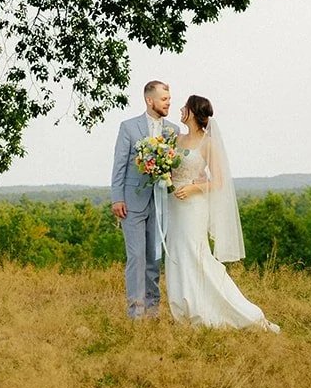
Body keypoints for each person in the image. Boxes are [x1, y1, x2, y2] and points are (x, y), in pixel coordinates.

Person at [164, 93, 279, 332]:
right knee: (177, 253)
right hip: (173, 204)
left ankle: (233, 311)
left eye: (184, 107)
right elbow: (170, 169)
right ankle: (183, 309)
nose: (180, 110)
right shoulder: (176, 139)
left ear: (193, 112)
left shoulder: (208, 143)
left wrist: (193, 188)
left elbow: (218, 182)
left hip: (193, 206)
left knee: (196, 255)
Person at [111, 80, 179, 319]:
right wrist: (117, 197)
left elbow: (174, 169)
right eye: (164, 99)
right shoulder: (128, 127)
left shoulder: (173, 130)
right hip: (132, 202)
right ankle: (136, 312)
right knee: (137, 257)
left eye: (169, 99)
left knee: (154, 257)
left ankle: (153, 310)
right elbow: (119, 165)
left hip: (161, 202)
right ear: (150, 100)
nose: (168, 103)